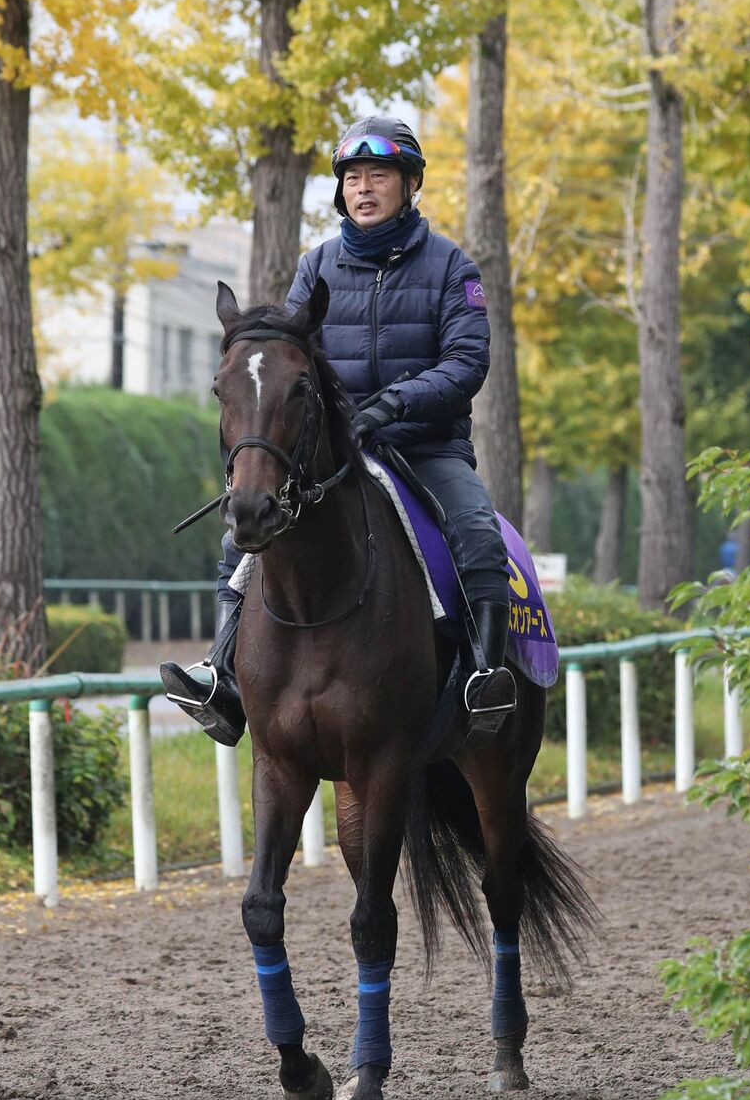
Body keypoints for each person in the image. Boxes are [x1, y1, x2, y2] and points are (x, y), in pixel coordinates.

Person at [161, 115, 515, 749]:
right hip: (336, 453)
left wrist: (390, 406)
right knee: (246, 532)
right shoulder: (317, 265)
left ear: (410, 185)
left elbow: (468, 363)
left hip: (425, 447)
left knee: (479, 534)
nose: (364, 189)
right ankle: (221, 675)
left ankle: (485, 679)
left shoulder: (453, 268)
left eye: (379, 175)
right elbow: (297, 357)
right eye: (353, 178)